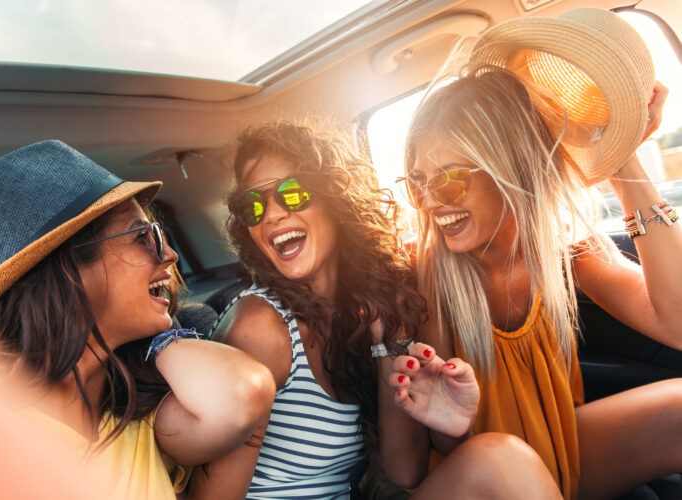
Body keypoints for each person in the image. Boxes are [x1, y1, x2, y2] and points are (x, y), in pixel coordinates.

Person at [193, 122, 563, 499]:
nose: (271, 215)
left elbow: (405, 471)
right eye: (252, 206)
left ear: (334, 197)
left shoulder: (368, 310)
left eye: (291, 193)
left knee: (499, 459)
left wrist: (440, 414)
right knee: (502, 460)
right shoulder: (259, 329)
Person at [394, 62, 682, 499]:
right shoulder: (427, 272)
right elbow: (445, 440)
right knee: (503, 461)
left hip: (561, 443)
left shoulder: (566, 250)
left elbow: (676, 321)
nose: (431, 201)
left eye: (450, 181)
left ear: (510, 167)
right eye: (419, 183)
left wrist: (622, 157)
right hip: (480, 472)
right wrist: (452, 426)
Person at [0, 140, 276, 499]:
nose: (170, 255)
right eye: (143, 237)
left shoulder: (137, 417)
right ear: (68, 274)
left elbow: (244, 392)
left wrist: (160, 337)